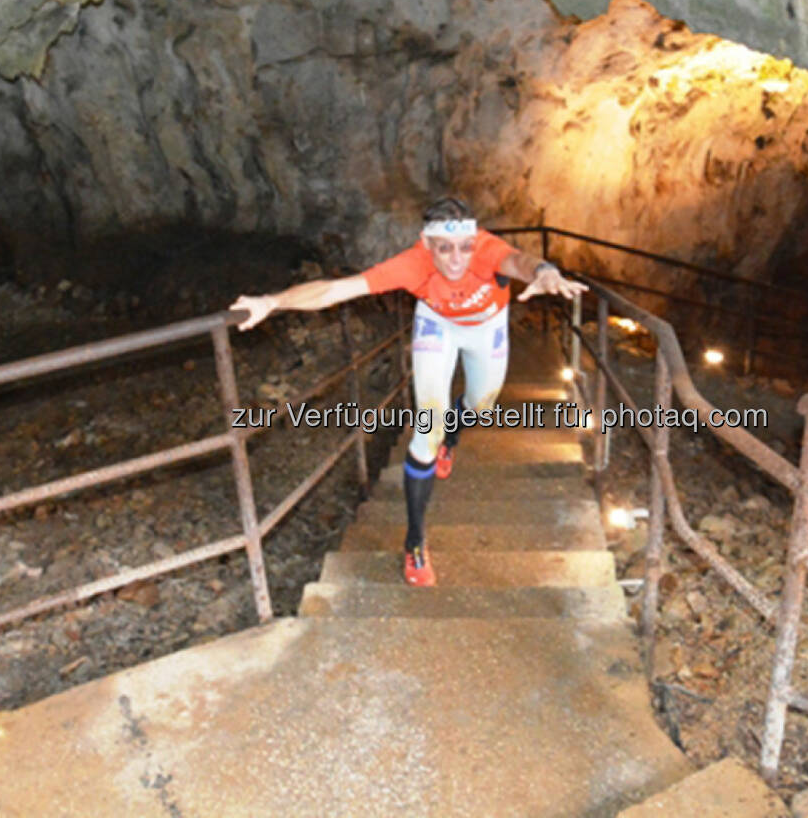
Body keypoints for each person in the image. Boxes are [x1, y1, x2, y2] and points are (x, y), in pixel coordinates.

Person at [230, 197, 587, 587]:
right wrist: (271, 302)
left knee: (481, 405)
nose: (456, 258)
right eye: (444, 248)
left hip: (487, 327)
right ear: (426, 243)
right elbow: (334, 291)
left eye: (464, 247)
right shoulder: (412, 264)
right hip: (437, 326)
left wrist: (546, 269)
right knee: (425, 435)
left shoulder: (485, 249)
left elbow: (519, 262)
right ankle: (415, 541)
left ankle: (452, 435)